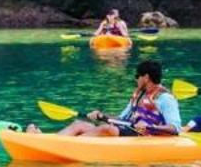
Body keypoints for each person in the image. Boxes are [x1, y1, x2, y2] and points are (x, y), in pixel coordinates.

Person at [54, 59, 182, 137]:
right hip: (129, 131)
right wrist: (102, 116)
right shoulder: (139, 95)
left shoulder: (166, 98)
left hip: (146, 136)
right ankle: (53, 141)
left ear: (146, 77)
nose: (136, 79)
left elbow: (175, 129)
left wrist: (150, 127)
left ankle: (69, 145)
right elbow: (121, 119)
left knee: (107, 129)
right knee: (79, 124)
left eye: (138, 76)